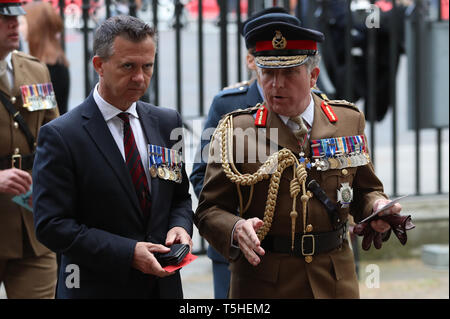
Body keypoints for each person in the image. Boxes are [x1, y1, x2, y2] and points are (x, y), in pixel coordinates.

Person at [194, 12, 405, 298]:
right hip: (263, 282)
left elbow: (364, 189)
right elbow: (208, 209)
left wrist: (376, 206)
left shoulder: (346, 120)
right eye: (268, 73)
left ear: (313, 76)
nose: (276, 84)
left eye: (289, 73)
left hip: (333, 280)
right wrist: (235, 228)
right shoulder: (235, 129)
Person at [32, 15, 193, 299]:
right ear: (99, 66)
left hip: (162, 288)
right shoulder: (62, 135)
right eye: (128, 66)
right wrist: (128, 252)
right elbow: (51, 225)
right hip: (95, 288)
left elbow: (179, 196)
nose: (140, 78)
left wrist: (180, 227)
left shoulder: (167, 122)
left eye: (148, 66)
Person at [190, 6, 287, 299]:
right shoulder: (227, 105)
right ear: (250, 60)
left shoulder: (313, 104)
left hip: (293, 252)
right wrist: (234, 225)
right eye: (268, 64)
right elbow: (200, 173)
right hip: (237, 251)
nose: (278, 75)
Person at [0, 0, 59, 299]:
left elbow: (56, 141)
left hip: (31, 230)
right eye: (2, 17)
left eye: (15, 17)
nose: (13, 23)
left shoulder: (36, 71)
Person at [21, 1, 70, 115]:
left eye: (23, 23)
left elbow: (37, 116)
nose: (19, 28)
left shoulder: (50, 67)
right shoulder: (54, 62)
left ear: (35, 27)